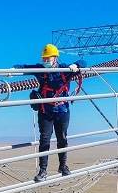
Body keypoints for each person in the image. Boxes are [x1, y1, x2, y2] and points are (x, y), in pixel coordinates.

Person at [13, 44, 87, 182]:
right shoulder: (41, 70)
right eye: (44, 58)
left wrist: (76, 65)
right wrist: (13, 70)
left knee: (62, 139)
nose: (45, 61)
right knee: (45, 140)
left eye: (48, 58)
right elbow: (24, 67)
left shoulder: (65, 69)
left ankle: (63, 166)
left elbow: (83, 62)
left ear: (55, 58)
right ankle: (43, 170)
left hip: (62, 110)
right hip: (45, 110)